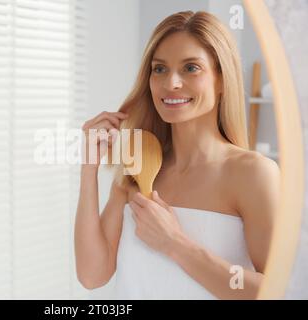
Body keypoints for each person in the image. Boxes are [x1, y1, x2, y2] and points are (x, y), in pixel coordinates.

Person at [74, 10, 280, 299]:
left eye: (191, 68)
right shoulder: (137, 169)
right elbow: (92, 276)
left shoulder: (251, 173)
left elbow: (276, 291)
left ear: (221, 79)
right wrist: (88, 170)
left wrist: (175, 244)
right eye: (159, 69)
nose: (171, 82)